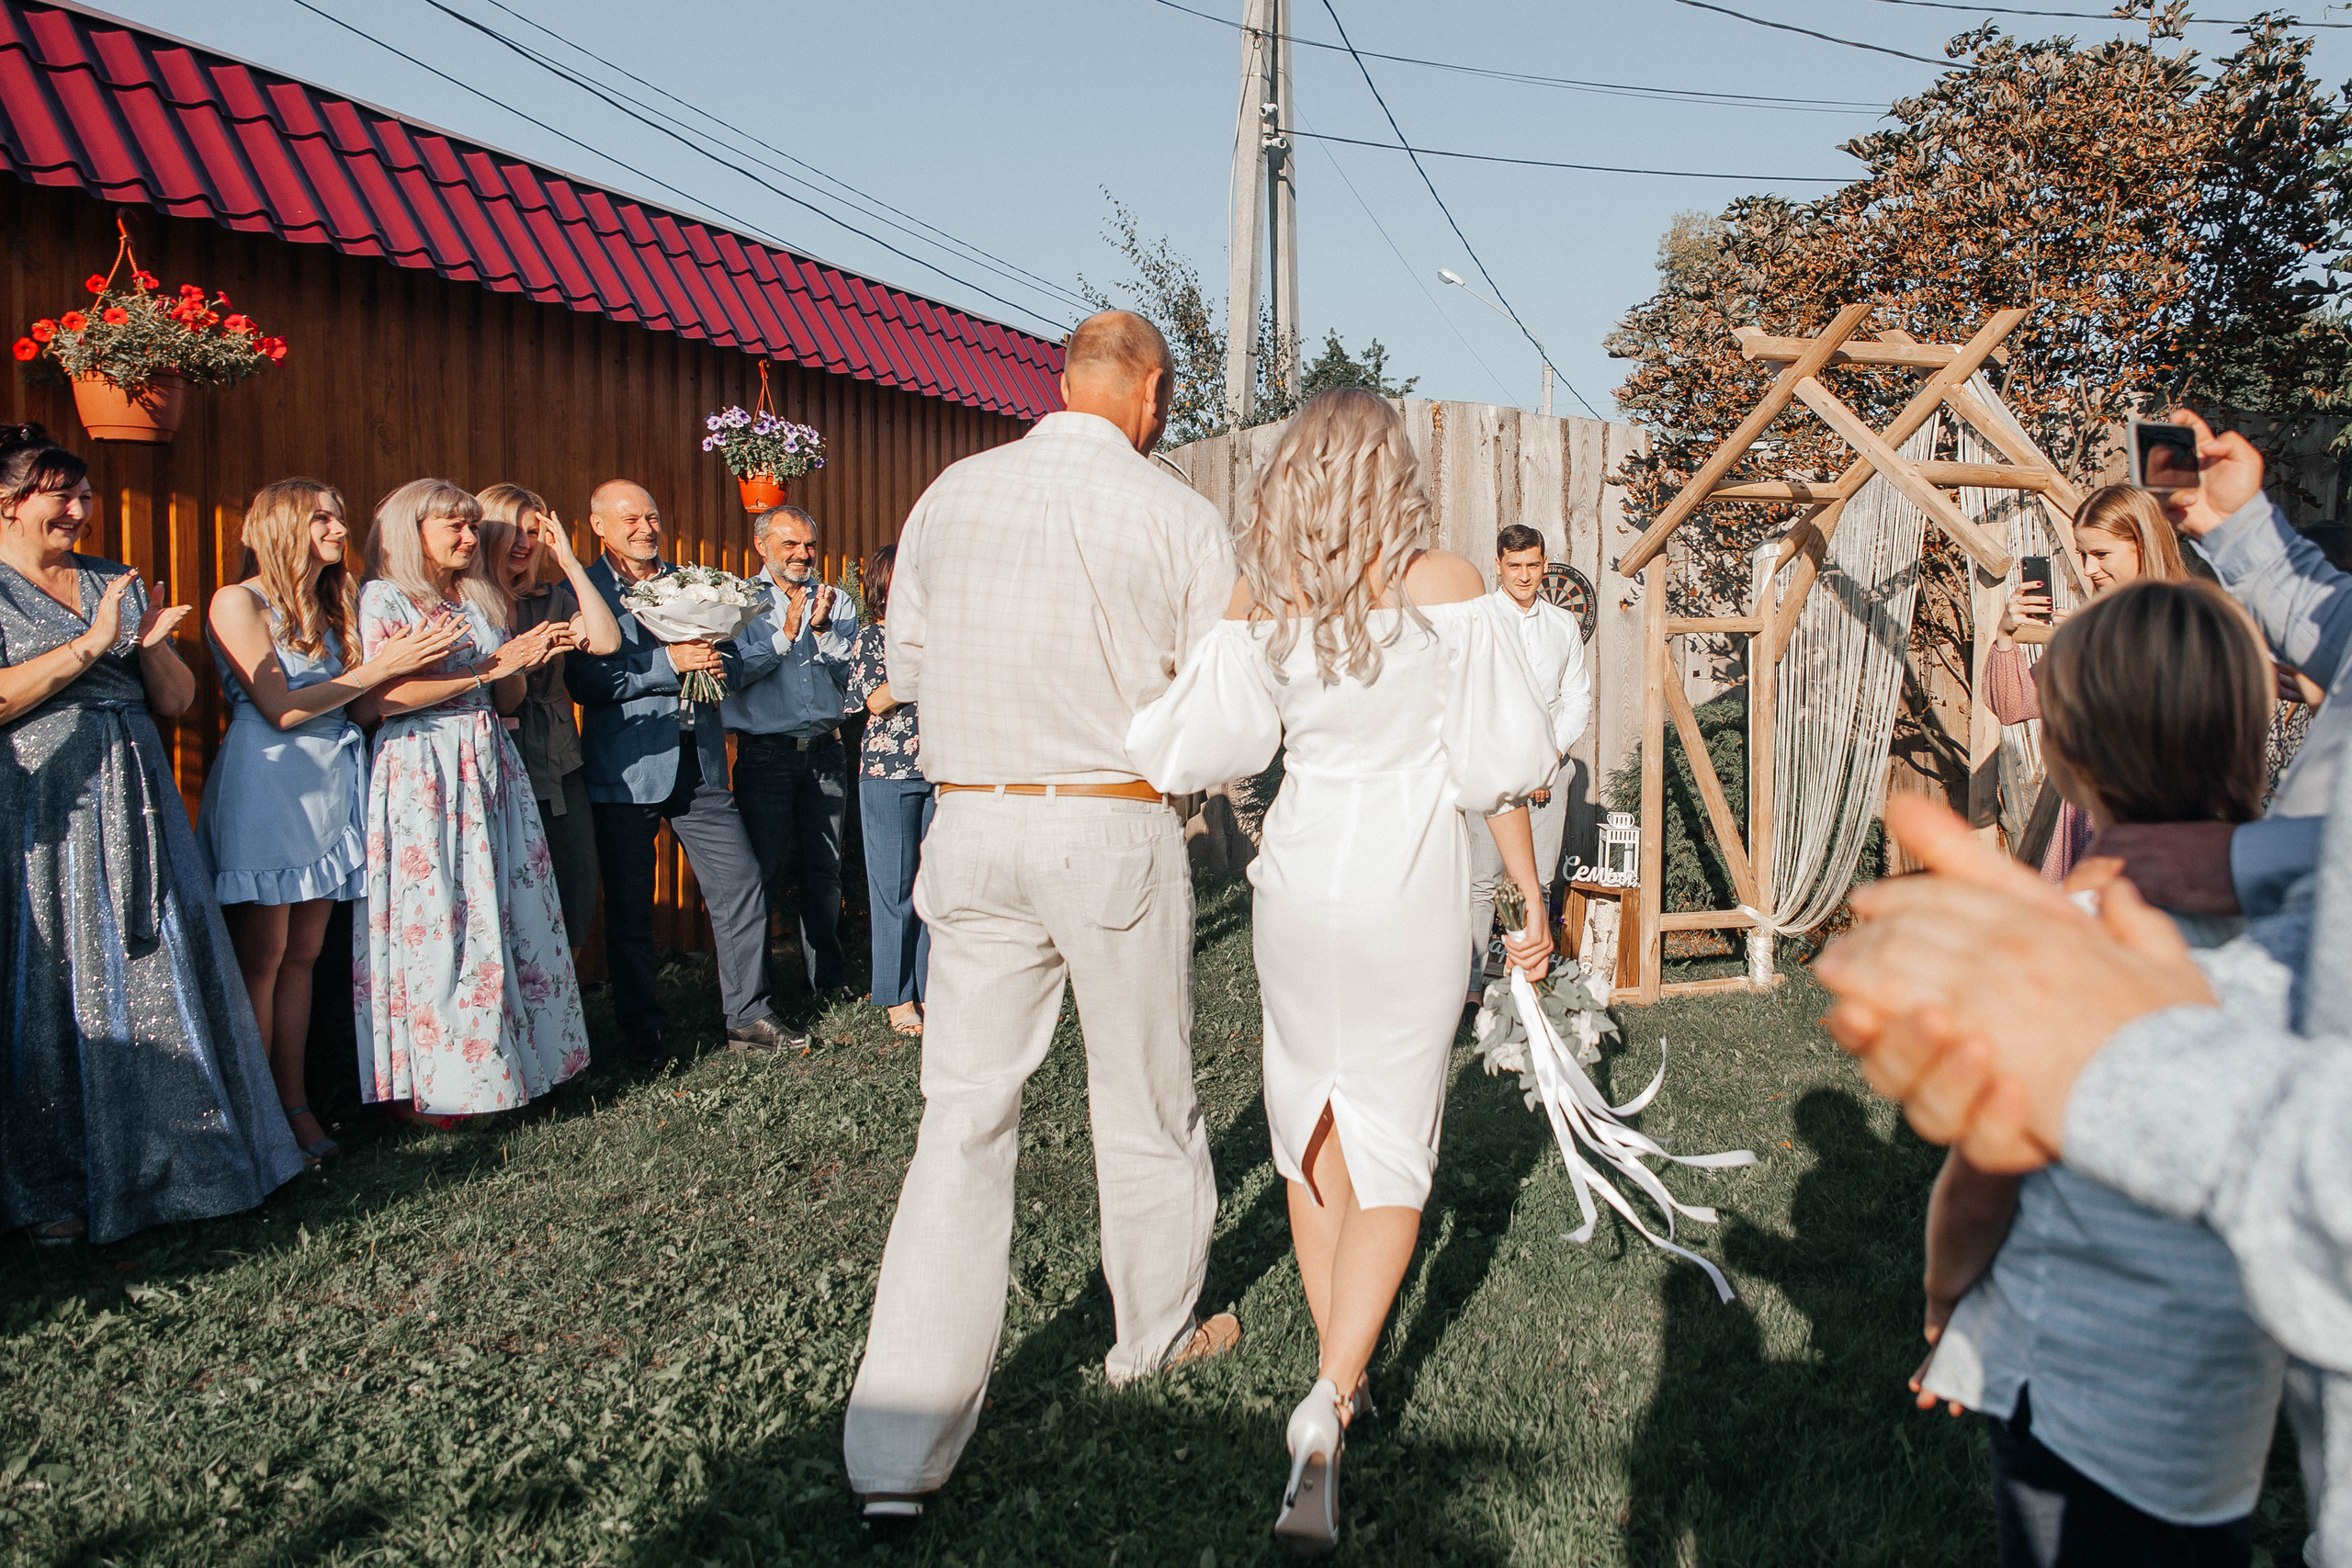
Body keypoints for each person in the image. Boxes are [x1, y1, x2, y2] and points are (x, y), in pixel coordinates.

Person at [1128, 387, 1557, 1553]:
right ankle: (1331, 1391)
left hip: (1300, 881)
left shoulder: (1260, 596)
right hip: (1406, 886)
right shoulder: (1446, 585)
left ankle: (1337, 1386)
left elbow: (1203, 746)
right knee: (1394, 1141)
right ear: (1392, 471)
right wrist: (1527, 895)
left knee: (1309, 1123)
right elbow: (1498, 767)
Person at [842, 310, 1241, 1518]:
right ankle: (1152, 1331)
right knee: (1142, 1093)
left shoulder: (950, 495)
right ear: (1152, 389)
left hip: (970, 816)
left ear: (1063, 382)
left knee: (962, 1115)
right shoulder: (1176, 514)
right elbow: (1216, 701)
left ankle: (897, 1443)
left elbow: (904, 659)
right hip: (1108, 817)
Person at [1908, 580, 2284, 1568]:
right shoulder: (2294, 948)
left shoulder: (2057, 951)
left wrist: (1948, 1298)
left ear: (2070, 753)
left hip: (2068, 1393)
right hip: (2225, 1415)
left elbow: (1983, 1175)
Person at [0, 423, 306, 1243]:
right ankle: (54, 1185)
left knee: (156, 960)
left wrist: (147, 649)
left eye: (85, 491)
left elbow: (170, 702)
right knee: (53, 971)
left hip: (135, 791)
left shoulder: (112, 579)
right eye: (60, 491)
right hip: (42, 801)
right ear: (8, 501)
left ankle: (185, 1164)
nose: (80, 506)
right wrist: (90, 646)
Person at [201, 479, 458, 1162]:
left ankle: (297, 1104)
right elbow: (279, 707)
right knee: (263, 955)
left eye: (339, 516)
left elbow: (359, 710)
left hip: (332, 781)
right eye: (321, 518)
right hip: (270, 783)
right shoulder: (238, 600)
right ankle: (256, 1120)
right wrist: (382, 666)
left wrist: (420, 672)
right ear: (281, 527)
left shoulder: (330, 602)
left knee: (306, 956)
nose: (338, 528)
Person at [354, 479, 589, 1119]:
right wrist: (490, 667)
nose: (468, 537)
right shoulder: (384, 596)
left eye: (468, 524)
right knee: (437, 917)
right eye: (453, 527)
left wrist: (522, 660)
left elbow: (504, 699)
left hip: (488, 759)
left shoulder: (480, 596)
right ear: (414, 531)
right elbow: (383, 699)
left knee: (500, 907)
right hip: (421, 764)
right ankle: (434, 1083)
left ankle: (514, 1062)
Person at [566, 479, 799, 1062]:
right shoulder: (585, 588)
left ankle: (749, 1017)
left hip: (701, 766)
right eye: (631, 521)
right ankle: (642, 1027)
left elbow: (739, 661)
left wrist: (724, 665)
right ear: (598, 526)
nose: (646, 529)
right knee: (630, 905)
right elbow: (585, 681)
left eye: (652, 516)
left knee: (741, 883)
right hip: (627, 769)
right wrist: (666, 663)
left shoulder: (694, 584)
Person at [1984, 485, 2188, 880]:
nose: (2090, 568)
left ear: (2142, 545)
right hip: (2086, 813)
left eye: (2101, 554)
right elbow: (2013, 707)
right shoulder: (2093, 623)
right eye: (2083, 554)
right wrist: (2006, 636)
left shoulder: (2187, 616)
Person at [476, 483, 622, 957]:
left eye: (534, 532)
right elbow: (505, 701)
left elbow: (604, 642)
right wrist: (520, 662)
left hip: (560, 764)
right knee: (507, 907)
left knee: (575, 898)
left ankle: (566, 1023)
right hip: (498, 765)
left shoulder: (551, 598)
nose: (524, 542)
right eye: (512, 531)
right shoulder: (471, 602)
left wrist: (572, 566)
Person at [722, 504, 858, 1001]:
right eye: (790, 545)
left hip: (826, 754)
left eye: (809, 546)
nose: (803, 555)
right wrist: (784, 637)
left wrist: (822, 632)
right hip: (767, 757)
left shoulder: (837, 601)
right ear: (761, 546)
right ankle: (757, 994)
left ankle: (828, 981)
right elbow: (730, 676)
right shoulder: (737, 603)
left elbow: (854, 680)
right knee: (762, 871)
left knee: (824, 869)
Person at [1465, 521, 1591, 1003]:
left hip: (1549, 769)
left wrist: (1547, 759)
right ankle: (1473, 988)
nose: (1523, 575)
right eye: (1513, 566)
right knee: (1483, 882)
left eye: (1532, 565)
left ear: (1544, 566)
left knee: (1536, 880)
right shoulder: (1477, 619)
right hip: (1489, 769)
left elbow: (1576, 698)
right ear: (1498, 564)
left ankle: (1528, 981)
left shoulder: (1563, 626)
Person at [842, 543, 931, 1038]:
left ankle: (930, 988)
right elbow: (873, 701)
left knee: (933, 889)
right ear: (883, 587)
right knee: (893, 889)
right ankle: (898, 998)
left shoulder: (944, 635)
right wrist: (921, 667)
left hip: (942, 773)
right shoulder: (873, 638)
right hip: (889, 775)